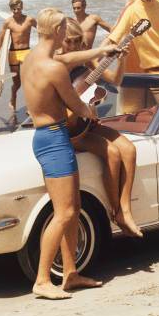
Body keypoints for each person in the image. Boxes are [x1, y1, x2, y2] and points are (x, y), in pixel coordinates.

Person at [21, 8, 102, 300]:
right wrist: (91, 111)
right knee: (65, 212)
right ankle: (42, 280)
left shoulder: (31, 58)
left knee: (73, 206)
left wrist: (103, 48)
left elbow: (67, 59)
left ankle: (71, 273)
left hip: (45, 138)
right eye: (64, 31)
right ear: (57, 31)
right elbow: (76, 105)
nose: (66, 36)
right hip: (55, 140)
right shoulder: (52, 68)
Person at [56, 18, 142, 238]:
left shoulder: (88, 65)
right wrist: (77, 107)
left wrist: (121, 60)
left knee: (129, 150)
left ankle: (126, 209)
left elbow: (115, 80)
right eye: (70, 41)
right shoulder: (58, 67)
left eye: (78, 41)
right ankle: (114, 211)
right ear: (61, 41)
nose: (74, 46)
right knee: (113, 153)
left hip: (89, 124)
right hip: (71, 130)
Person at [0, 0, 38, 111]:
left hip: (26, 52)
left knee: (28, 80)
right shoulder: (8, 22)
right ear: (11, 9)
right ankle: (13, 98)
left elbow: (41, 30)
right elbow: (0, 39)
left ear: (22, 7)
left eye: (18, 8)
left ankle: (30, 106)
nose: (16, 11)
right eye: (13, 9)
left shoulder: (29, 20)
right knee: (17, 82)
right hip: (13, 53)